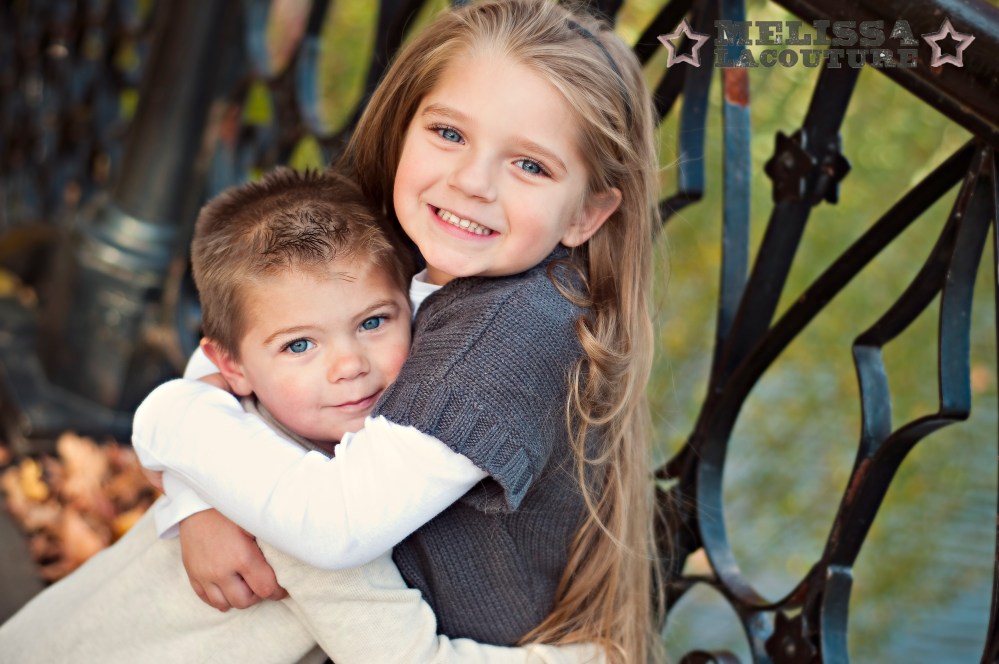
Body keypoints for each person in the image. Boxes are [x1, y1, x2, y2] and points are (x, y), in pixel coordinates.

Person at [133, 1, 664, 661]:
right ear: (402, 125)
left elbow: (335, 525)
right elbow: (243, 343)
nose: (471, 182)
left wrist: (166, 422)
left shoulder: (510, 333)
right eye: (448, 133)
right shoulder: (402, 238)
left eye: (530, 166)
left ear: (585, 214)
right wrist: (195, 502)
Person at [0, 168, 600, 664]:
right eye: (300, 345)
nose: (349, 365)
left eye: (373, 322)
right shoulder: (304, 506)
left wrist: (194, 497)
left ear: (417, 307)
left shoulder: (243, 419)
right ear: (233, 367)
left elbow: (187, 403)